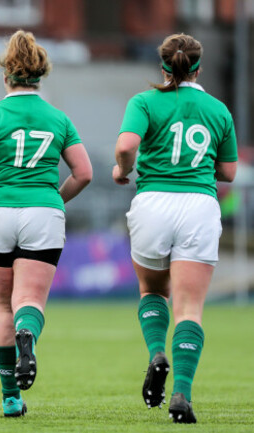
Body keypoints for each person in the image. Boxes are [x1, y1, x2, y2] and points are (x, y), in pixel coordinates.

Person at [0, 30, 92, 417]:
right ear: (41, 75)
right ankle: (28, 333)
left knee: (2, 308)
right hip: (42, 213)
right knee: (29, 302)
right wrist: (52, 200)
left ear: (6, 75)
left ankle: (11, 398)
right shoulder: (58, 118)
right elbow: (83, 173)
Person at [113, 33, 238, 424]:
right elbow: (229, 172)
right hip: (199, 206)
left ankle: (156, 353)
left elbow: (125, 147)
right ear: (198, 67)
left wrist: (122, 170)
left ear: (163, 65)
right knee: (190, 306)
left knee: (152, 289)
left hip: (154, 203)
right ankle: (181, 394)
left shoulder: (144, 101)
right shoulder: (217, 109)